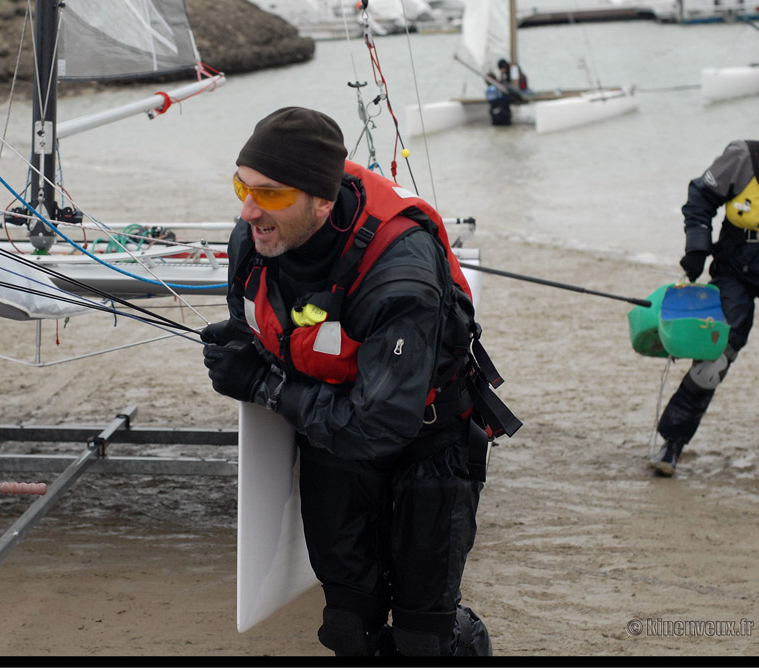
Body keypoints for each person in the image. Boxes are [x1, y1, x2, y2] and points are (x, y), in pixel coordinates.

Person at [200, 107, 520, 655]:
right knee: (350, 627)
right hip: (333, 442)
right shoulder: (253, 238)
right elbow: (279, 317)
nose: (250, 210)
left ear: (322, 202)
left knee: (423, 639)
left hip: (428, 440)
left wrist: (265, 388)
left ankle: (463, 641)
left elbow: (379, 425)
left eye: (271, 194)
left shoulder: (401, 273)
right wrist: (243, 344)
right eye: (241, 187)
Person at [650, 128, 759, 476]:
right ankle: (672, 444)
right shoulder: (744, 155)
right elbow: (701, 197)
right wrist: (697, 247)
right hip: (737, 267)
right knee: (716, 355)